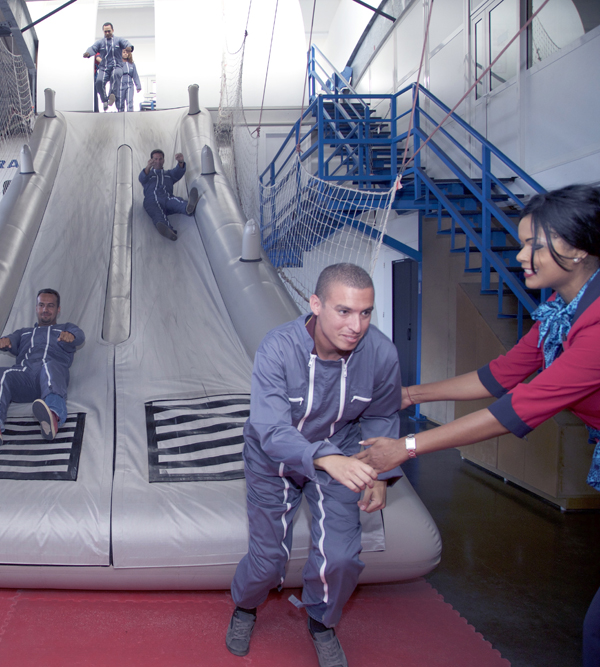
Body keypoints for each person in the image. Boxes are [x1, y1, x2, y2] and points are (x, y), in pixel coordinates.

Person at [354, 184, 600, 667]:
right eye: (522, 241)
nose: (522, 254)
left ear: (577, 247)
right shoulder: (558, 309)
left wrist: (405, 446)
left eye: (534, 244)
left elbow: (517, 408)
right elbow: (500, 376)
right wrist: (410, 394)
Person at [226, 263, 403, 667]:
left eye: (365, 312)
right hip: (274, 458)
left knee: (341, 557)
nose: (356, 325)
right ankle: (246, 607)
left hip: (341, 452)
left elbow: (382, 416)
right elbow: (269, 427)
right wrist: (326, 458)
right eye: (343, 311)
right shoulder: (277, 348)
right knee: (268, 560)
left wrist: (381, 475)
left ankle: (322, 623)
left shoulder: (381, 353)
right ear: (316, 304)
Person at [0, 289, 85, 445]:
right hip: (24, 377)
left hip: (51, 378)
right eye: (41, 305)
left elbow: (79, 335)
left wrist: (71, 336)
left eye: (50, 306)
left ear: (58, 309)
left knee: (50, 366)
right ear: (36, 308)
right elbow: (9, 339)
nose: (45, 310)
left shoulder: (65, 328)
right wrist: (2, 342)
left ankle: (53, 416)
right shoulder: (24, 332)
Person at [139, 150, 200, 241]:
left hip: (167, 198)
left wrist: (180, 162)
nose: (158, 161)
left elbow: (178, 172)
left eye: (160, 159)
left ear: (163, 160)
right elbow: (142, 178)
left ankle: (187, 208)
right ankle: (168, 230)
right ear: (151, 160)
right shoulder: (149, 175)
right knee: (157, 213)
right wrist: (148, 167)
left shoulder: (168, 174)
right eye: (155, 159)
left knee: (177, 201)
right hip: (152, 200)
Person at [83, 22, 133, 112]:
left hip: (117, 66)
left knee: (116, 74)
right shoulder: (100, 42)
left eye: (109, 31)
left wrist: (129, 47)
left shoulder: (118, 40)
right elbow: (93, 48)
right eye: (105, 32)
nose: (107, 33)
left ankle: (112, 95)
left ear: (112, 30)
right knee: (98, 81)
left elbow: (126, 43)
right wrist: (88, 53)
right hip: (104, 67)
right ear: (103, 32)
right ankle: (104, 100)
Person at [116, 48, 142, 112]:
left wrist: (138, 86)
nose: (125, 53)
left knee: (130, 102)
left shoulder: (132, 64)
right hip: (120, 85)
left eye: (127, 52)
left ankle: (129, 117)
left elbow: (135, 75)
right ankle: (120, 117)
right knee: (120, 103)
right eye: (123, 52)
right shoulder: (117, 64)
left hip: (129, 84)